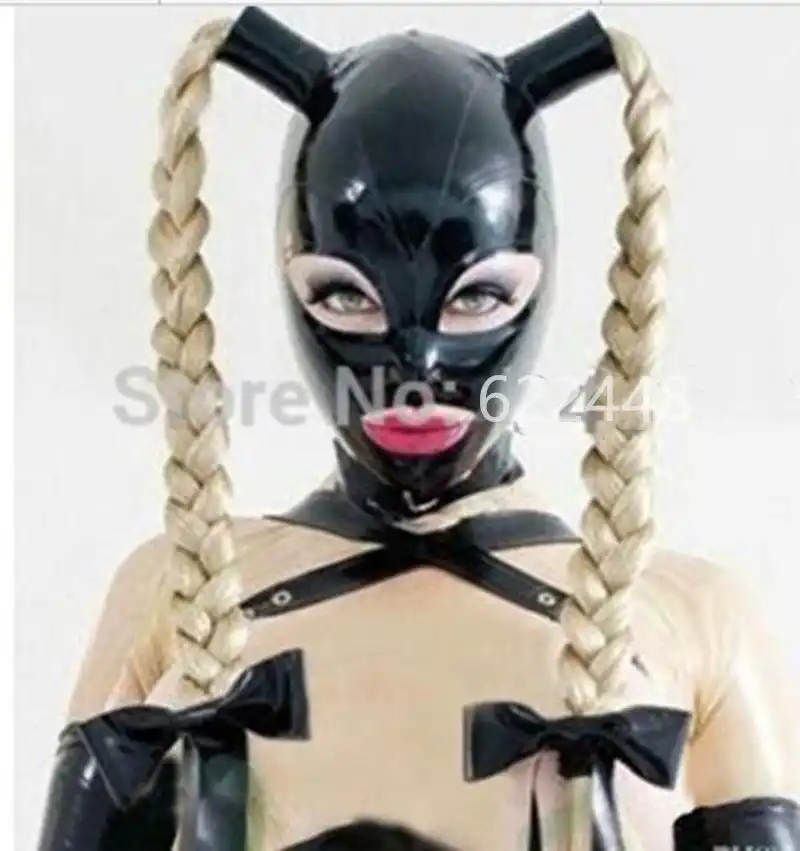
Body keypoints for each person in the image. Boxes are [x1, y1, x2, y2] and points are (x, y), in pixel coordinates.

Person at [34, 7, 800, 851]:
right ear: (289, 287)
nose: (414, 369)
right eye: (344, 296)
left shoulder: (698, 616)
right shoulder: (171, 588)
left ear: (542, 284)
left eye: (478, 297)